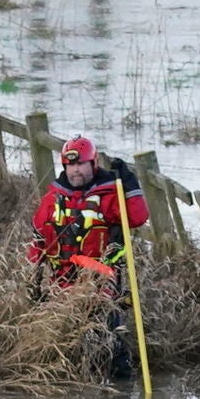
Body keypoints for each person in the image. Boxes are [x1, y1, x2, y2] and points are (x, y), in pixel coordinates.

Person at [27, 134, 149, 379]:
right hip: (60, 280)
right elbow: (38, 238)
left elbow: (137, 217)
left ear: (92, 164)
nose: (76, 170)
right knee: (62, 341)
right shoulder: (53, 198)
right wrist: (32, 278)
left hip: (100, 278)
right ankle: (69, 382)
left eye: (81, 164)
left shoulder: (110, 194)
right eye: (71, 165)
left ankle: (119, 392)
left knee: (109, 338)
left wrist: (130, 184)